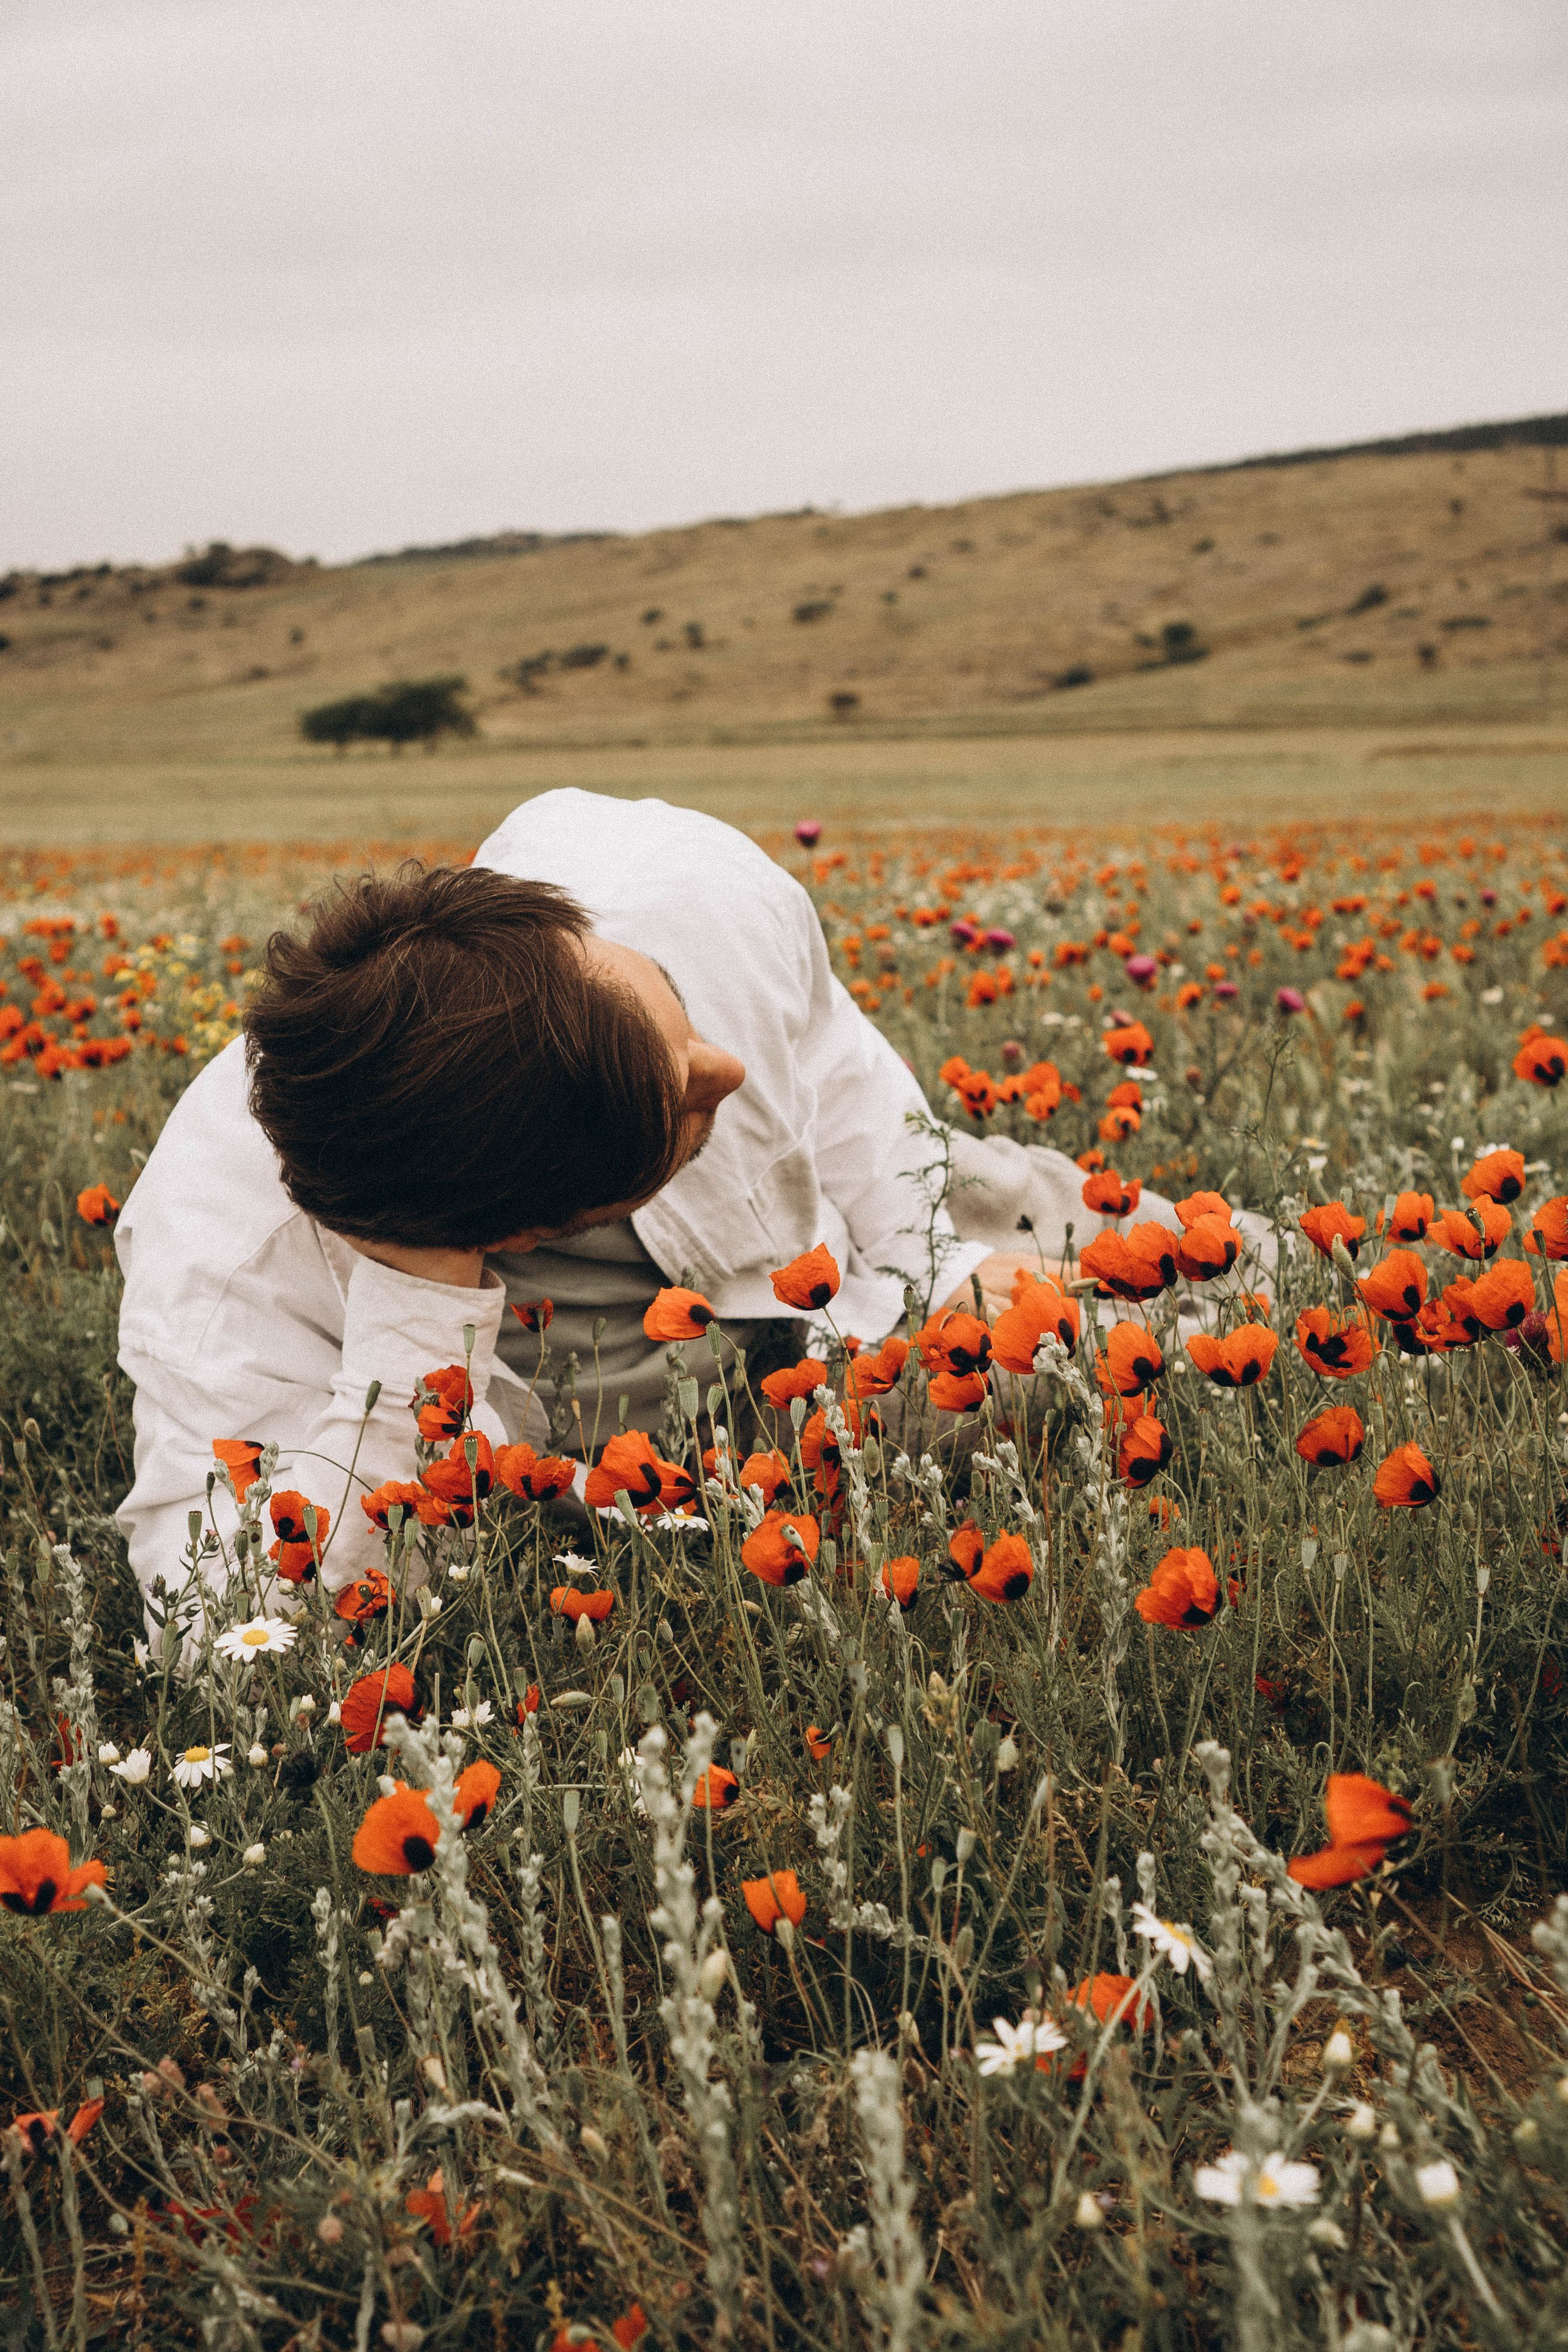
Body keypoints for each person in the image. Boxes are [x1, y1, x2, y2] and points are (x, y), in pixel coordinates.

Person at [114, 790, 1039, 1643]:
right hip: (634, 1447)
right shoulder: (226, 1269)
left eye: (672, 1006)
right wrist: (419, 1317)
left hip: (841, 1280)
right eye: (685, 1112)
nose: (724, 1069)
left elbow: (848, 1088)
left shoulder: (684, 887)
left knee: (1080, 1333)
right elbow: (217, 1641)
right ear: (524, 1234)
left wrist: (943, 1268)